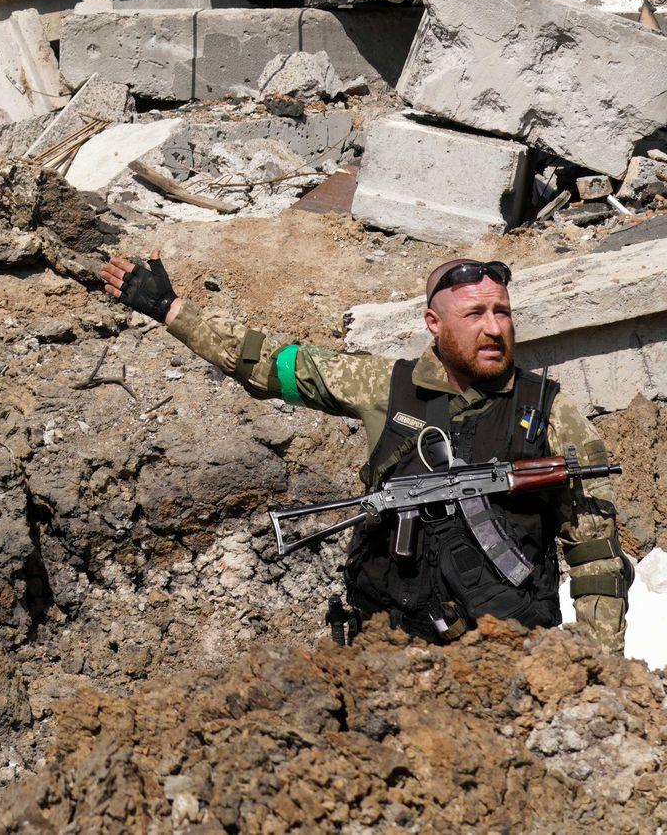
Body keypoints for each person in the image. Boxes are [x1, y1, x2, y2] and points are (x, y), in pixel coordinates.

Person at [99, 250, 627, 649]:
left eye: (502, 313)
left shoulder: (551, 413)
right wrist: (172, 311)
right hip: (388, 648)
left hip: (507, 659)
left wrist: (592, 666)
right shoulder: (383, 386)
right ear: (433, 324)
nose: (493, 329)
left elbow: (595, 555)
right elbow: (273, 365)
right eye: (474, 315)